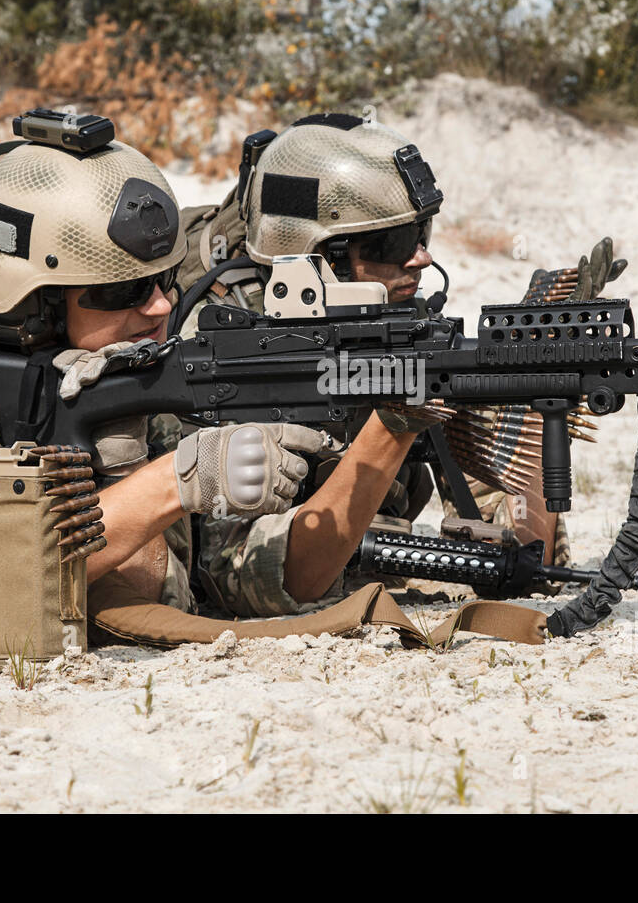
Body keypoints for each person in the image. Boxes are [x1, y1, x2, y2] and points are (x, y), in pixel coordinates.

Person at [0, 122, 443, 635]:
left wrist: (391, 429)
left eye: (163, 280)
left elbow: (275, 582)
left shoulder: (139, 366)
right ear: (35, 300)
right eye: (120, 289)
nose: (156, 308)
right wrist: (176, 482)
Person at [168, 114, 573, 615]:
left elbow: (526, 555)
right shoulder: (225, 348)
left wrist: (536, 376)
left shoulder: (399, 327)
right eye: (394, 244)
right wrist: (393, 427)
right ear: (323, 257)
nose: (421, 259)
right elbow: (238, 578)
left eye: (422, 233)